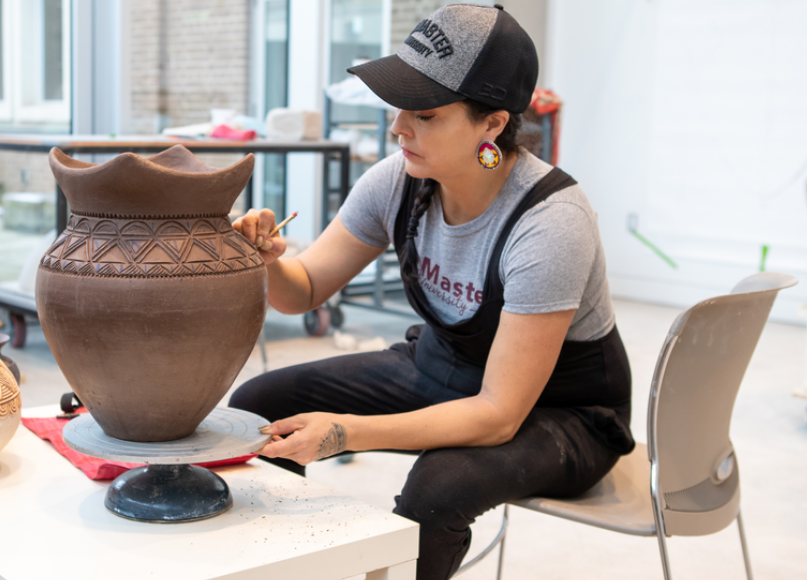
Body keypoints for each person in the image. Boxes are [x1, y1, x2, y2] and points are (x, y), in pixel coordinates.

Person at [230, 5, 634, 579]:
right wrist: (270, 260)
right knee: (258, 407)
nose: (398, 127)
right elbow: (304, 291)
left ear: (492, 125)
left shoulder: (550, 223)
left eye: (424, 113)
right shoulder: (398, 179)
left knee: (440, 487)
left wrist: (344, 433)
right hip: (445, 366)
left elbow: (497, 415)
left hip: (562, 412)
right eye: (398, 106)